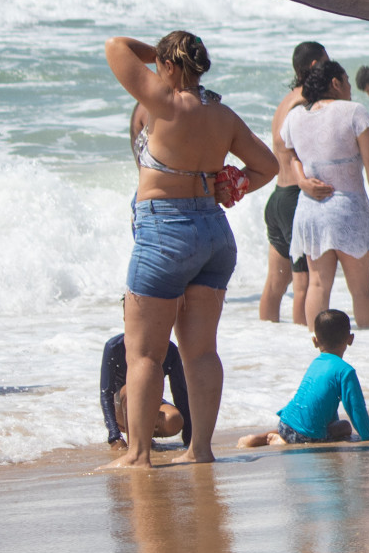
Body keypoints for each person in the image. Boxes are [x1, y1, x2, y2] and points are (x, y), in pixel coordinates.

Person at [106, 31, 278, 467]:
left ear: (168, 66)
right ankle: (199, 449)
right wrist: (232, 187)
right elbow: (268, 166)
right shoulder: (222, 114)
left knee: (144, 352)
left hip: (166, 230)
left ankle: (139, 454)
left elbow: (115, 47)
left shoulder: (165, 102)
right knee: (201, 351)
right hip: (214, 235)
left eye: (162, 64)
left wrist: (158, 53)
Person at [282, 61, 369, 329]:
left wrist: (302, 181)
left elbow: (289, 154)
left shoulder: (295, 116)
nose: (350, 88)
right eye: (345, 80)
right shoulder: (354, 111)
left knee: (317, 286)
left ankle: (318, 349)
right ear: (335, 83)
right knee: (362, 291)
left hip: (310, 211)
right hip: (347, 209)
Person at [235, 310, 369, 446]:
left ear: (315, 341)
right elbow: (355, 408)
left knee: (305, 422)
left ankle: (266, 436)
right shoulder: (346, 371)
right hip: (306, 436)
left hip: (285, 423)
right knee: (345, 427)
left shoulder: (316, 363)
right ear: (350, 339)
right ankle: (280, 441)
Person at [261, 42, 327, 325]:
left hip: (277, 198)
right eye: (326, 61)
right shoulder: (303, 103)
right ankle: (303, 349)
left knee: (275, 287)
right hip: (294, 200)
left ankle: (269, 343)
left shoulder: (287, 99)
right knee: (305, 284)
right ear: (314, 66)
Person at [100, 330, 190, 447]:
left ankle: (145, 439)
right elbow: (106, 394)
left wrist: (189, 439)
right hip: (121, 406)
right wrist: (114, 437)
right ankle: (135, 445)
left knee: (173, 420)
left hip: (150, 404)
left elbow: (180, 393)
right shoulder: (115, 346)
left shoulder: (170, 349)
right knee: (133, 387)